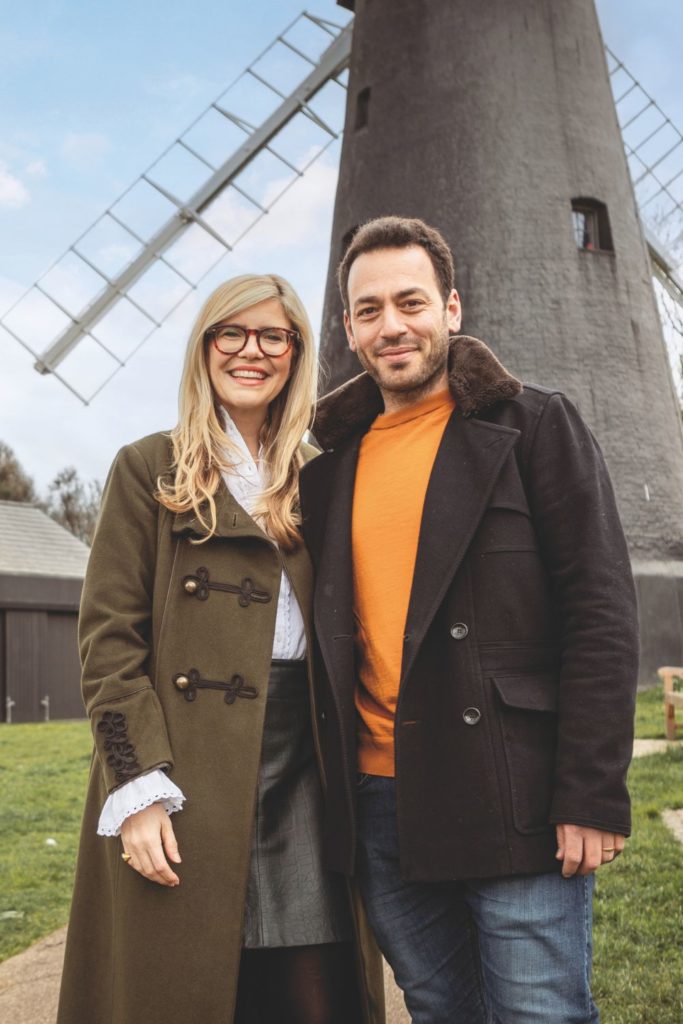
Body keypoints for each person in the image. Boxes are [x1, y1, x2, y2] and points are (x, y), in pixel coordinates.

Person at [299, 216, 639, 1024]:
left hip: (512, 787)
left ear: (451, 308)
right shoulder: (328, 470)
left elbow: (599, 608)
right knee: (440, 1011)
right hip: (381, 801)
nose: (392, 326)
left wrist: (590, 791)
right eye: (370, 310)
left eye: (410, 302)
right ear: (348, 329)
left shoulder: (531, 426)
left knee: (539, 1014)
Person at [57, 274, 385, 1024]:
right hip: (179, 768)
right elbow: (109, 644)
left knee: (315, 995)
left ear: (296, 352)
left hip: (304, 764)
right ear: (204, 348)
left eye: (273, 335)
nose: (251, 351)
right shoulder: (149, 469)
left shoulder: (323, 474)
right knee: (191, 990)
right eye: (230, 333)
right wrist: (135, 788)